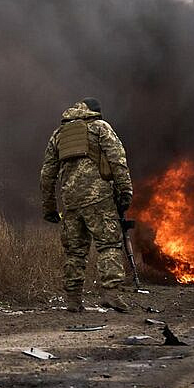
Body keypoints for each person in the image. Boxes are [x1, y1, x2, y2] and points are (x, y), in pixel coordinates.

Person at [40, 98, 135, 313]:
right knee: (109, 245)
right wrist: (125, 192)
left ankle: (73, 300)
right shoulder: (100, 128)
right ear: (94, 112)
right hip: (99, 199)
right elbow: (118, 161)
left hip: (71, 202)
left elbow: (47, 174)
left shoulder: (59, 134)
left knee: (75, 251)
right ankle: (111, 294)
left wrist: (49, 207)